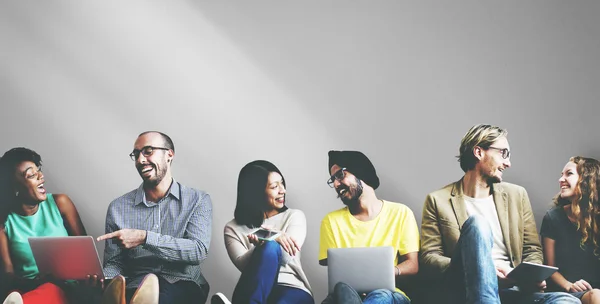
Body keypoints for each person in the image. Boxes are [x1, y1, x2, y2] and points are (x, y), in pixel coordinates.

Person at [420, 124, 579, 304]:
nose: (508, 163)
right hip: (467, 291)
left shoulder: (517, 195)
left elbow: (532, 249)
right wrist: (483, 268)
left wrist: (529, 276)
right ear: (479, 152)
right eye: (503, 153)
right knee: (477, 224)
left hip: (514, 289)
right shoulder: (437, 200)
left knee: (566, 301)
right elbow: (429, 258)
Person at [98, 131, 212, 304]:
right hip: (134, 284)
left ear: (169, 154)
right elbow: (115, 262)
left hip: (182, 282)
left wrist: (145, 238)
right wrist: (105, 278)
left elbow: (197, 251)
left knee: (162, 296)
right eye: (136, 154)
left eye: (148, 151)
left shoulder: (198, 200)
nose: (140, 160)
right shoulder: (118, 208)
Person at [0, 147, 125, 304]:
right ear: (15, 188)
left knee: (58, 290)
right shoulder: (4, 222)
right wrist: (38, 282)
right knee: (32, 292)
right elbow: (8, 275)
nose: (41, 177)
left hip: (71, 287)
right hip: (29, 287)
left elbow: (86, 253)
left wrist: (91, 277)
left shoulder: (60, 203)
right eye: (31, 175)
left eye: (38, 171)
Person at [319, 150, 419, 304]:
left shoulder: (401, 213)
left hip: (390, 295)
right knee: (339, 295)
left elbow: (413, 265)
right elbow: (336, 274)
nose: (336, 184)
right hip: (349, 293)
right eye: (332, 180)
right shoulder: (331, 221)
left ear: (360, 172)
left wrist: (391, 271)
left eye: (340, 175)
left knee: (380, 295)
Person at [211, 160, 313, 304]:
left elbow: (287, 257)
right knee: (269, 245)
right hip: (253, 287)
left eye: (282, 183)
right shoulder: (232, 228)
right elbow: (244, 266)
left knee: (270, 246)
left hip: (290, 288)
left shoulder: (294, 216)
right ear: (256, 192)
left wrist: (269, 239)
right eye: (274, 186)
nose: (282, 190)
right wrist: (264, 242)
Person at [541, 156, 600, 303]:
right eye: (562, 175)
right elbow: (549, 268)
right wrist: (569, 285)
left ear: (587, 180)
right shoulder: (553, 218)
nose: (561, 179)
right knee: (595, 295)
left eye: (569, 174)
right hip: (569, 292)